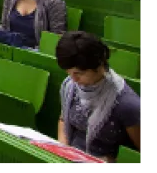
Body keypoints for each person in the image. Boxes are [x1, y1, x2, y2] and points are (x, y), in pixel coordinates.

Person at [55, 31, 143, 163]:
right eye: (69, 73)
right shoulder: (71, 86)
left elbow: (137, 154)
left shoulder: (126, 104)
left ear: (100, 65)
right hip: (70, 158)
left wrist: (110, 161)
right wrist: (63, 150)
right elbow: (63, 120)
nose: (73, 79)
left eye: (79, 73)